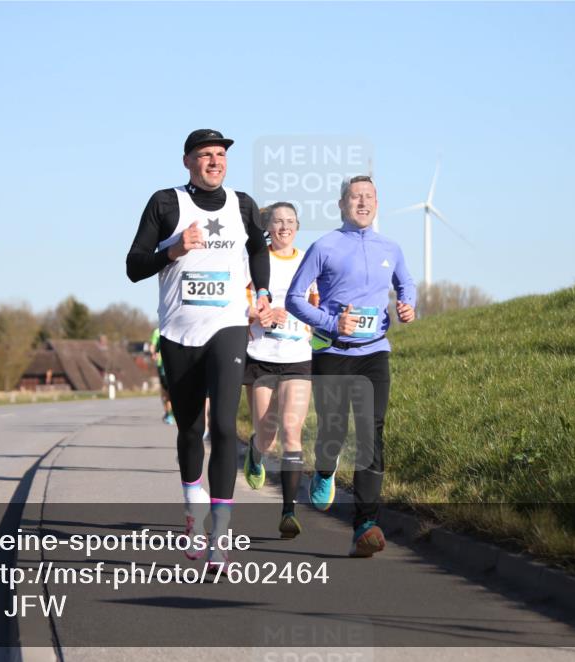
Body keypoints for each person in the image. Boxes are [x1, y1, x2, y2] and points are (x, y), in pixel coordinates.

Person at [126, 129, 272, 570]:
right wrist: (172, 249)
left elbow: (257, 248)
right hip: (178, 333)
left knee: (225, 426)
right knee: (190, 429)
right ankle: (195, 508)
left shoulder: (243, 204)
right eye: (206, 155)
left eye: (221, 154)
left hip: (227, 327)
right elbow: (133, 266)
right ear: (188, 161)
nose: (215, 161)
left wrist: (262, 290)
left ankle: (220, 535)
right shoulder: (165, 203)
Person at [286, 175, 416, 557]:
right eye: (355, 197)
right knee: (334, 428)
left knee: (371, 432)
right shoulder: (324, 246)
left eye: (369, 197)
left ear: (378, 203)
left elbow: (406, 283)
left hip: (375, 352)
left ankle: (366, 524)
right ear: (342, 204)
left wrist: (407, 305)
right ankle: (325, 470)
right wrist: (330, 322)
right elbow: (295, 298)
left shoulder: (390, 247)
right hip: (332, 352)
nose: (363, 203)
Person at [242, 202, 319, 539]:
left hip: (297, 355)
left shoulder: (308, 262)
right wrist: (259, 315)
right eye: (277, 222)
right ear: (267, 228)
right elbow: (238, 302)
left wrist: (310, 318)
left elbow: (318, 303)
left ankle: (289, 511)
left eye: (290, 221)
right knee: (267, 435)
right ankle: (255, 456)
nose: (284, 227)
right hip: (260, 354)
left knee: (291, 431)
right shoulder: (256, 261)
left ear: (297, 226)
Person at [150, 327, 173, 424]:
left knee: (167, 391)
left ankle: (169, 413)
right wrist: (154, 353)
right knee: (165, 391)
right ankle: (169, 413)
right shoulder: (157, 331)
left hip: (173, 364)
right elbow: (152, 346)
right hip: (162, 364)